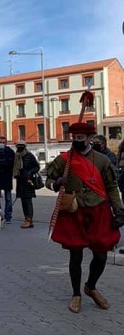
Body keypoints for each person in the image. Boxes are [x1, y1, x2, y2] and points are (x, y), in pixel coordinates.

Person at [46, 122, 124, 313]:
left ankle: (90, 286)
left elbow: (112, 187)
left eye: (80, 138)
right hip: (75, 211)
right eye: (74, 138)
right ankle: (76, 294)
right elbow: (46, 179)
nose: (76, 141)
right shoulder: (64, 160)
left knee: (100, 255)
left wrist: (120, 210)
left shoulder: (102, 160)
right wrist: (56, 183)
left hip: (99, 211)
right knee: (76, 255)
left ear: (90, 138)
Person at [13, 140, 40, 228]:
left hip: (28, 181)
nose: (19, 147)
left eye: (21, 145)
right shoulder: (16, 156)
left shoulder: (29, 155)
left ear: (25, 146)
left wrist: (30, 172)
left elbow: (37, 166)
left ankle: (29, 220)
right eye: (18, 145)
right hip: (20, 181)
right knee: (23, 201)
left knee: (28, 201)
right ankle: (26, 218)